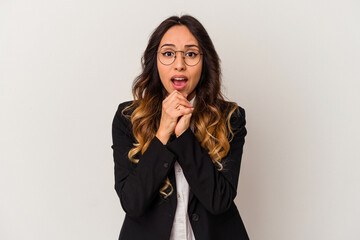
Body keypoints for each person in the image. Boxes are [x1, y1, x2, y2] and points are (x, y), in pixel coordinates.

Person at [111, 15, 249, 240]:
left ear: (205, 62)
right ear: (154, 61)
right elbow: (132, 203)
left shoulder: (230, 118)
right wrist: (163, 132)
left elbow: (219, 201)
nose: (179, 64)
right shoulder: (129, 118)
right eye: (168, 53)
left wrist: (184, 136)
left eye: (191, 54)